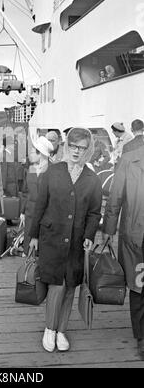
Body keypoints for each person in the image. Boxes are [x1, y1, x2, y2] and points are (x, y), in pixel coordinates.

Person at [28, 128, 102, 353]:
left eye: (82, 148)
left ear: (87, 150)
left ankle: (61, 330)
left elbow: (94, 213)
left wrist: (89, 236)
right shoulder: (53, 172)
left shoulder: (92, 179)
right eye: (73, 146)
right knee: (56, 285)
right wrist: (33, 236)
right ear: (66, 146)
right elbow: (40, 204)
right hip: (51, 238)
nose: (77, 152)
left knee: (71, 286)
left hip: (77, 243)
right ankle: (49, 329)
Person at [102, 145, 144, 360]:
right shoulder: (129, 160)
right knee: (138, 285)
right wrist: (109, 230)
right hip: (135, 237)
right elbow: (115, 198)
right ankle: (142, 337)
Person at [20, 136, 53, 254]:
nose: (30, 155)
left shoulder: (52, 170)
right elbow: (25, 191)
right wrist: (22, 211)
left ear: (41, 154)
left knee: (43, 245)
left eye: (33, 152)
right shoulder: (30, 169)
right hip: (30, 211)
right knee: (28, 240)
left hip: (46, 213)